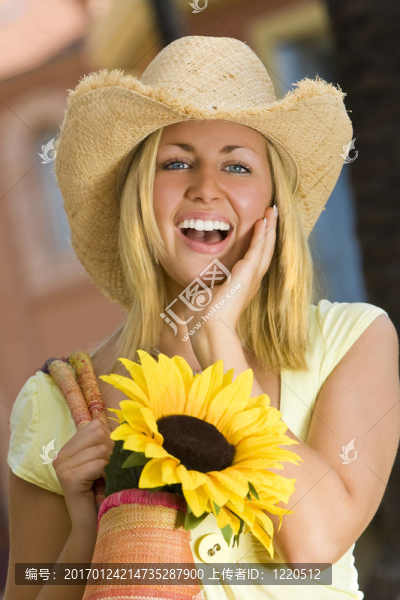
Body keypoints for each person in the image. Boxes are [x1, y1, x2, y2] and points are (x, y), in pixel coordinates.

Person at [5, 35, 400, 600]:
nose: (206, 188)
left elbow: (313, 547)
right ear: (139, 197)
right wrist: (87, 531)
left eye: (237, 166)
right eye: (176, 162)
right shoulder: (54, 401)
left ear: (273, 205)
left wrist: (221, 343)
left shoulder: (351, 340)